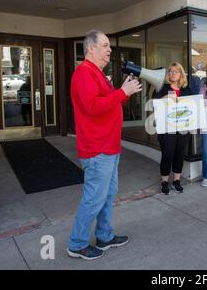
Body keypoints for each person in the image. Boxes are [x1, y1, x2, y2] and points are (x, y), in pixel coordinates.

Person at [68, 30, 142, 260]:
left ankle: (105, 236)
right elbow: (92, 107)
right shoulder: (84, 73)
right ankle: (77, 244)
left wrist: (122, 91)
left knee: (108, 196)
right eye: (105, 45)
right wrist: (121, 92)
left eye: (109, 46)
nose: (110, 49)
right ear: (90, 48)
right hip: (97, 148)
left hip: (108, 147)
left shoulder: (97, 73)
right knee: (94, 199)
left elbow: (109, 104)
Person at [154, 62, 192, 194]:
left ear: (181, 74)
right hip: (166, 128)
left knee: (179, 154)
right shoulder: (162, 88)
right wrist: (165, 98)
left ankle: (176, 181)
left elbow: (194, 106)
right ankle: (164, 181)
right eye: (170, 71)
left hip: (183, 128)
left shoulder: (187, 89)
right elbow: (154, 106)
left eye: (176, 71)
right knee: (167, 154)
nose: (173, 73)